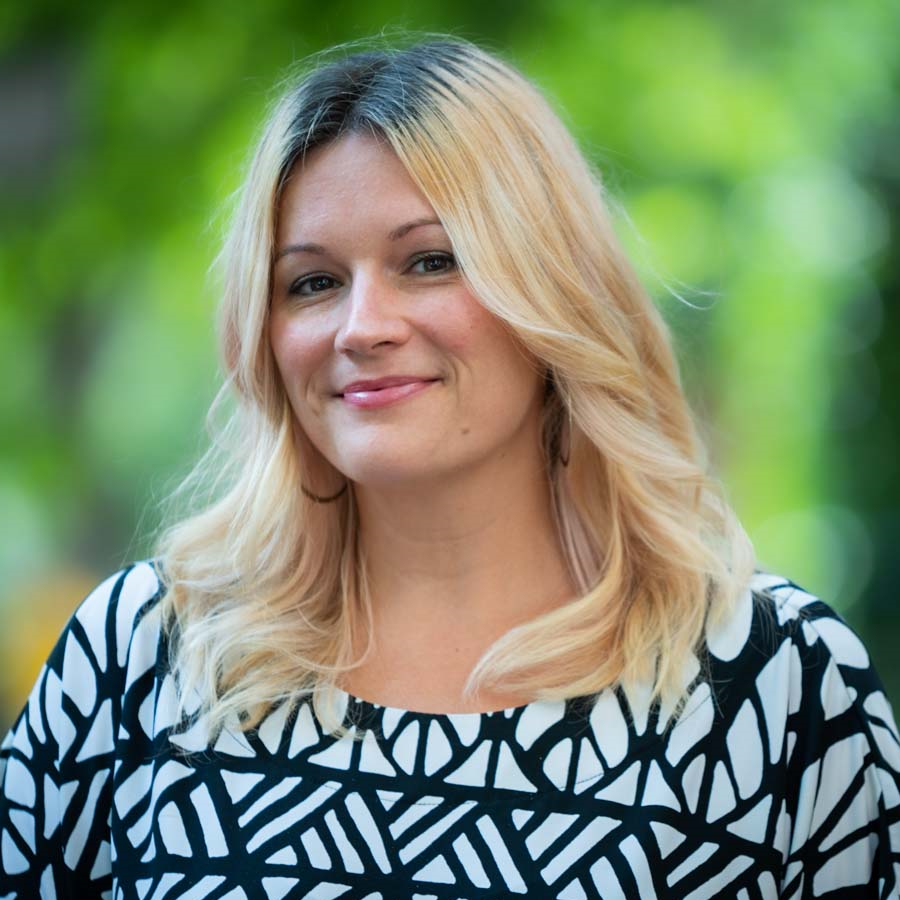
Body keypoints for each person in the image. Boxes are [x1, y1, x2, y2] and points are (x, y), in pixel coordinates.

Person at [2, 36, 899, 900]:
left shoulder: (778, 684)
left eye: (430, 262)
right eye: (312, 282)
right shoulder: (141, 655)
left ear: (552, 292)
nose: (362, 327)